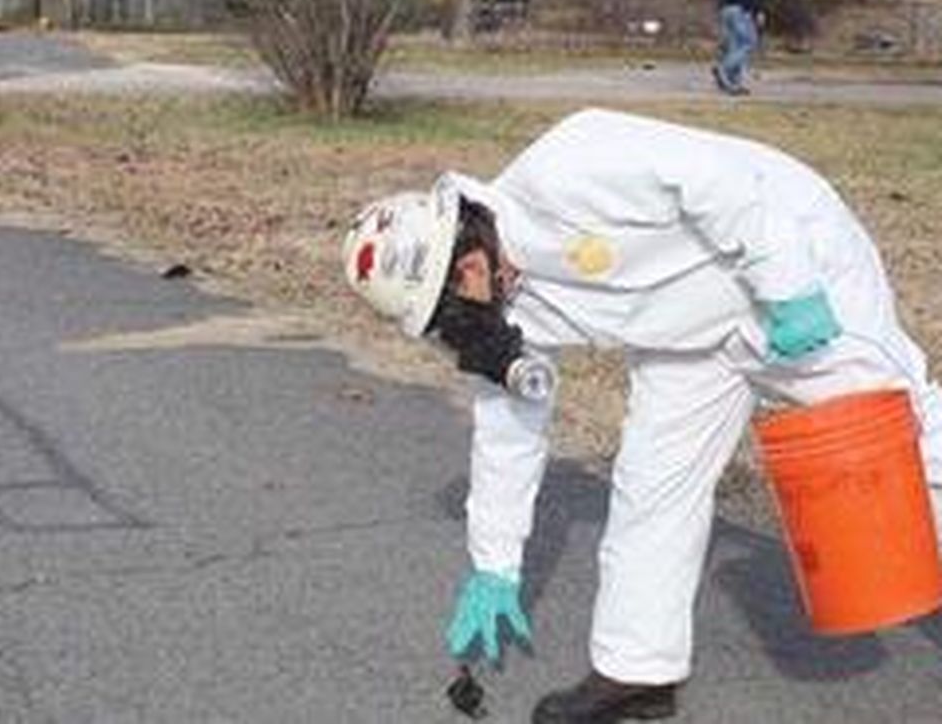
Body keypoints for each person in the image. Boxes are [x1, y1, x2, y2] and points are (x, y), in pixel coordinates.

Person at [341, 108, 942, 723]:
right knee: (652, 483)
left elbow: (720, 181)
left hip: (790, 264)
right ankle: (638, 671)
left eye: (456, 297)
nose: (462, 322)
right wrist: (495, 565)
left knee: (907, 441)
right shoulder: (500, 306)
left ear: (466, 248)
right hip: (687, 336)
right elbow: (508, 431)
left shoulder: (567, 165)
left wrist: (788, 288)